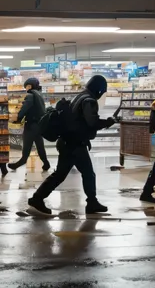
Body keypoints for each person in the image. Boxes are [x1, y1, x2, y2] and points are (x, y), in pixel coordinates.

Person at [27, 75, 115, 215]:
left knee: (65, 174)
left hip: (68, 142)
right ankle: (90, 202)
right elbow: (92, 122)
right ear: (99, 90)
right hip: (75, 144)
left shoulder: (81, 96)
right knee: (85, 173)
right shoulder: (89, 100)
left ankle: (38, 198)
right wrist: (108, 122)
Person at [8, 77, 50, 172]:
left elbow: (24, 109)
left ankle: (21, 162)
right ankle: (46, 163)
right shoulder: (39, 94)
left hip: (31, 125)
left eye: (26, 87)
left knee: (27, 146)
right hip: (39, 125)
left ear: (29, 86)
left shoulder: (30, 95)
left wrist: (17, 118)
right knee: (39, 145)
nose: (25, 89)